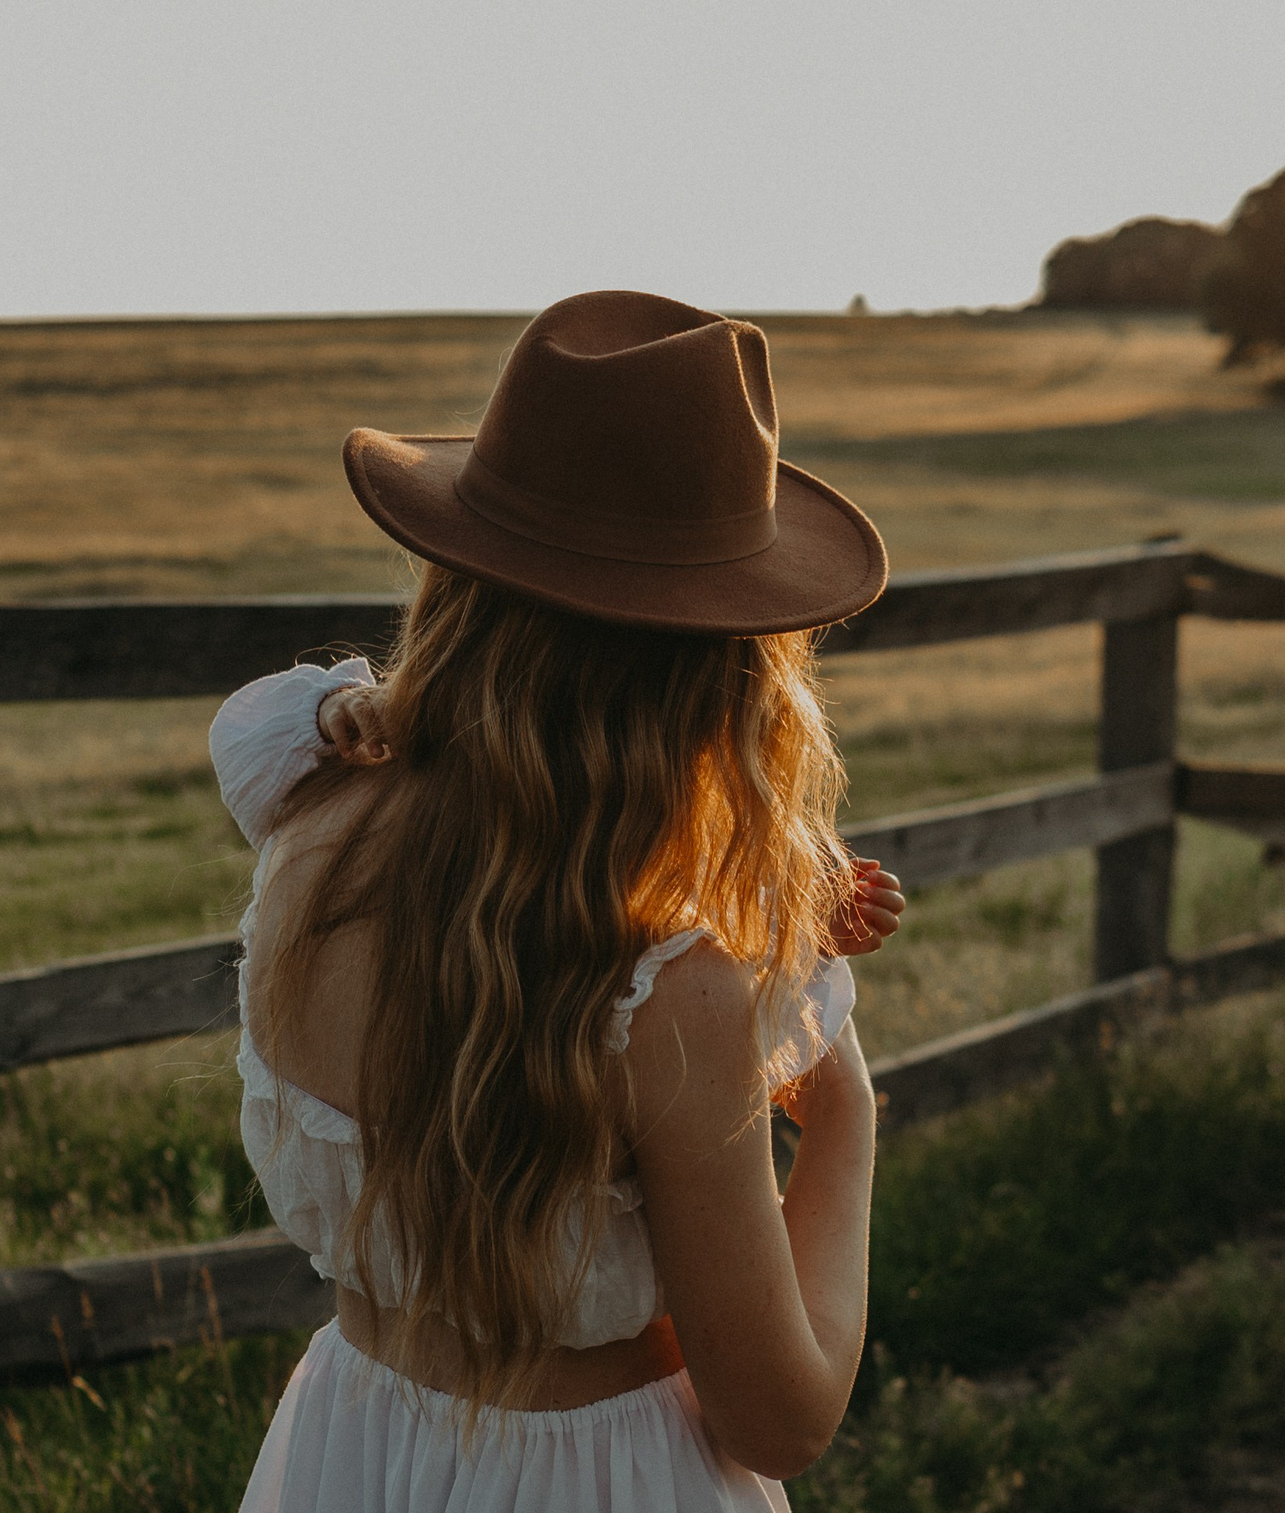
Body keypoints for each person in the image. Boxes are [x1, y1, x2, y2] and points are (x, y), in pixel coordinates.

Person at [211, 290, 906, 1512]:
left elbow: (266, 727)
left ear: (463, 581)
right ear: (724, 666)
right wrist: (840, 1103)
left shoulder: (309, 823)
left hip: (354, 1447)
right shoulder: (661, 995)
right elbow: (778, 1417)